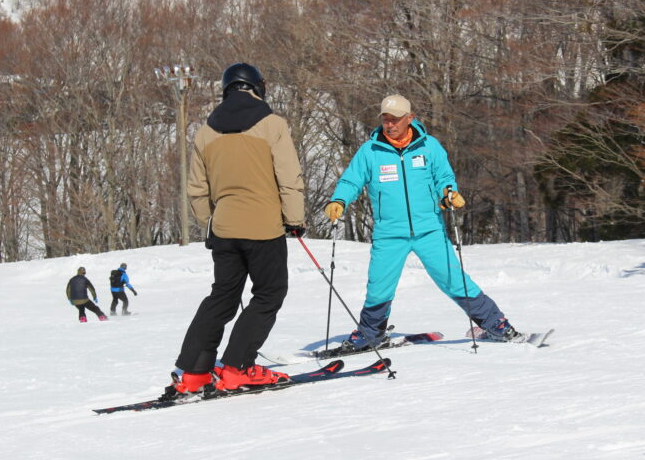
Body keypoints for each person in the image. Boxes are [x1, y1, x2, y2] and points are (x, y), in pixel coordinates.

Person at [323, 94, 520, 350]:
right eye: (385, 119)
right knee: (379, 287)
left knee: (454, 280)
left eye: (395, 120)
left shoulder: (429, 147)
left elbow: (443, 177)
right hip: (389, 232)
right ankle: (371, 334)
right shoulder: (370, 151)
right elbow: (351, 180)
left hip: (429, 230)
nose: (390, 125)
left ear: (410, 118)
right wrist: (339, 200)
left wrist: (449, 192)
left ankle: (497, 325)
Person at [166, 63, 306, 397]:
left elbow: (197, 191)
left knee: (223, 297)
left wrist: (211, 222)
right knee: (269, 293)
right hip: (264, 227)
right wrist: (295, 219)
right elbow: (288, 177)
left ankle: (194, 372)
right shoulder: (272, 124)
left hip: (224, 229)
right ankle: (236, 368)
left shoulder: (205, 131)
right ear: (258, 87)